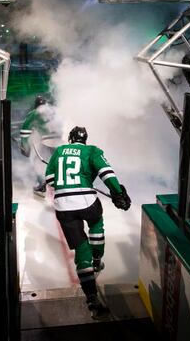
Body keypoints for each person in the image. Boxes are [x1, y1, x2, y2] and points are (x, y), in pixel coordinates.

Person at [45, 126, 131, 318]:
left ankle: (92, 298)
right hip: (86, 201)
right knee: (96, 223)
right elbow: (107, 173)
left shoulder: (59, 151)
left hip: (63, 205)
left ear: (70, 138)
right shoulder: (92, 150)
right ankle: (98, 259)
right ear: (85, 139)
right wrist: (118, 193)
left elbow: (50, 180)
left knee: (81, 250)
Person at [20, 95, 57, 197]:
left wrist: (25, 146)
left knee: (38, 162)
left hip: (47, 141)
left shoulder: (35, 113)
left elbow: (25, 131)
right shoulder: (54, 111)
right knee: (58, 162)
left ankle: (42, 185)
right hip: (60, 141)